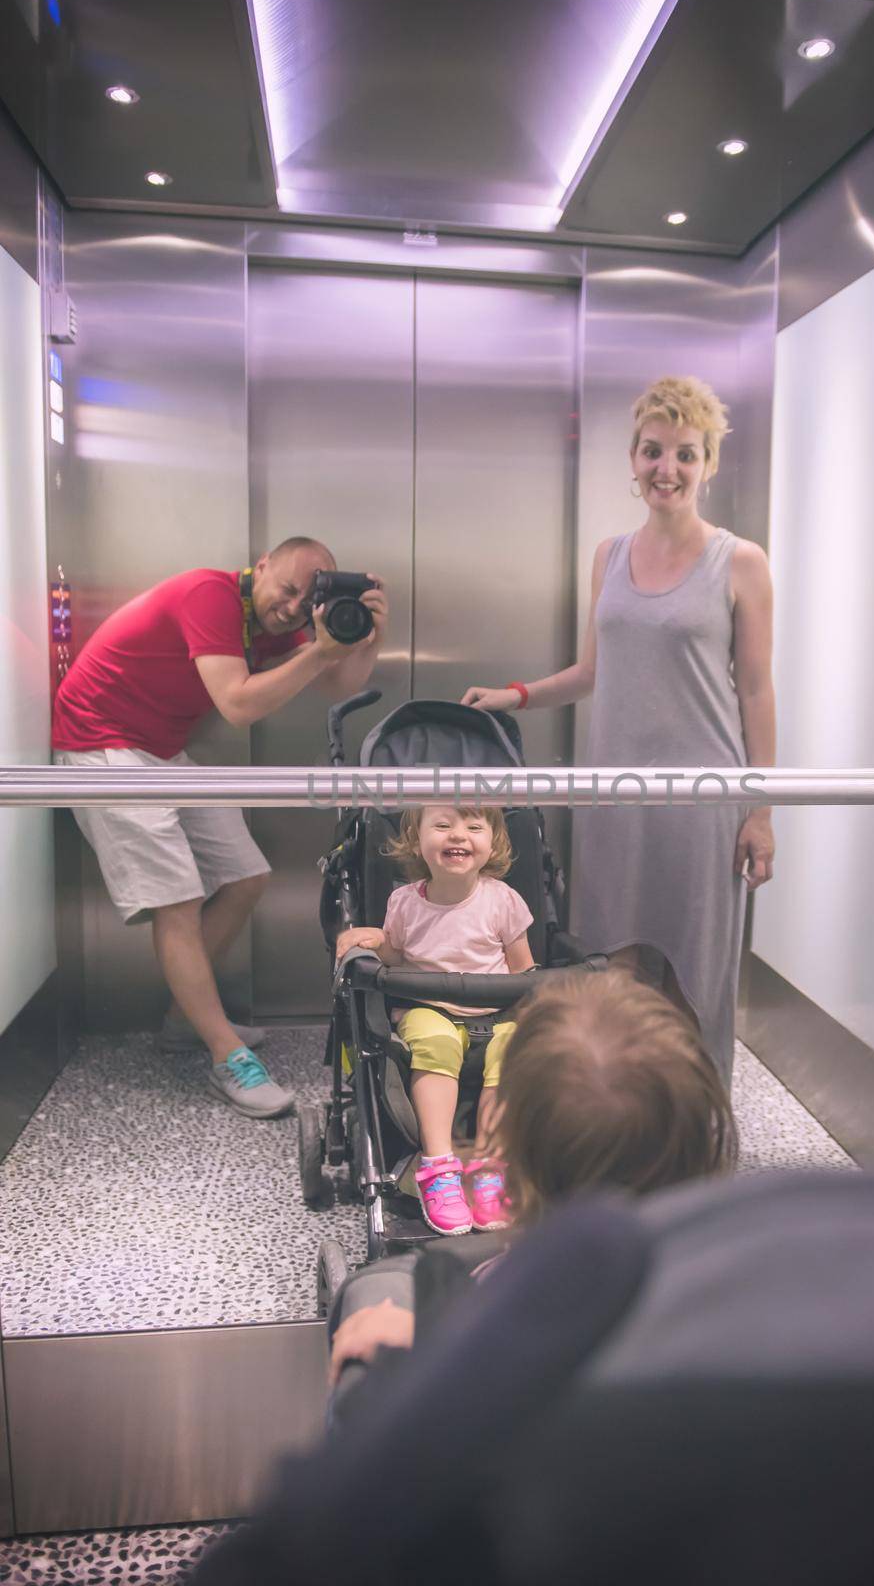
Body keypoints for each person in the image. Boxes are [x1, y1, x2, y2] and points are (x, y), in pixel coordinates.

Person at [462, 375, 775, 1086]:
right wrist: (512, 697)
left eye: (685, 455)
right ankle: (624, 1120)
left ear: (708, 464)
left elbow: (756, 690)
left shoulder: (741, 561)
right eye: (653, 451)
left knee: (692, 972)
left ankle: (697, 1127)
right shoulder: (608, 555)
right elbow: (592, 671)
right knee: (617, 968)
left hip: (703, 797)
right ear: (633, 459)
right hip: (614, 792)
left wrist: (761, 809)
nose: (667, 469)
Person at [52, 537, 387, 1117]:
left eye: (309, 599)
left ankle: (187, 1016)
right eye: (286, 590)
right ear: (260, 568)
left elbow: (338, 684)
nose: (293, 607)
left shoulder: (278, 626)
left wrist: (364, 637)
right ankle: (225, 1053)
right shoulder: (211, 595)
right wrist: (317, 651)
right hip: (101, 745)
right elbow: (237, 704)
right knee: (178, 903)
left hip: (157, 749)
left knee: (246, 876)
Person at [327, 968, 735, 1383]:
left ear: (516, 1168)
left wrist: (421, 1336)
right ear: (707, 1144)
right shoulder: (724, 1299)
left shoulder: (500, 1306)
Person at [334, 803, 535, 1235]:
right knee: (434, 1042)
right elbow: (395, 956)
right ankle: (439, 1166)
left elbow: (523, 971)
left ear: (492, 843)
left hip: (496, 1011)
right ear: (417, 840)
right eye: (442, 825)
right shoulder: (404, 902)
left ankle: (489, 1165)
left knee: (516, 1050)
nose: (458, 835)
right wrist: (373, 940)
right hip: (428, 1009)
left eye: (473, 827)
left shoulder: (502, 900)